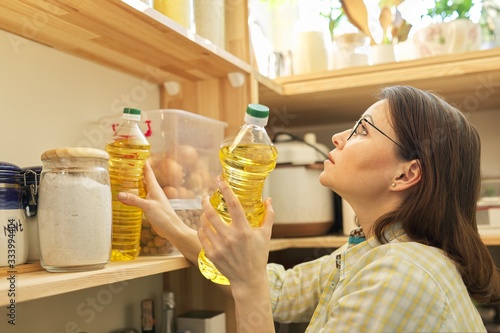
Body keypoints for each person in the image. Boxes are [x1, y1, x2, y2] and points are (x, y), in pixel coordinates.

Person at [118, 85, 500, 332]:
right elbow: (280, 291)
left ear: (406, 174)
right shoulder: (372, 251)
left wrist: (249, 286)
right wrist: (174, 227)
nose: (338, 137)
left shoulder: (400, 273)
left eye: (362, 131)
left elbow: (257, 287)